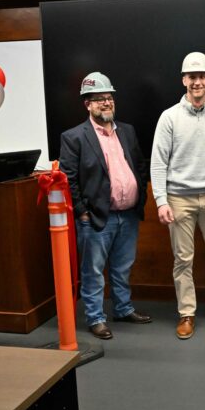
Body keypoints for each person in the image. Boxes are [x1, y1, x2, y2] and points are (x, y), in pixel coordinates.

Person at [151, 51, 205, 340]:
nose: (197, 81)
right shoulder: (169, 118)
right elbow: (158, 162)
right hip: (179, 198)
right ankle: (186, 313)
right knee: (183, 259)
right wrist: (161, 200)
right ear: (183, 80)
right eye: (192, 76)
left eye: (202, 76)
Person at [59, 71, 152, 340]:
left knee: (123, 267)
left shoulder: (127, 131)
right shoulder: (74, 137)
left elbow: (139, 166)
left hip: (129, 215)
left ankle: (123, 309)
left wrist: (141, 196)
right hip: (97, 218)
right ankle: (96, 318)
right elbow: (69, 180)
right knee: (93, 271)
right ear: (87, 104)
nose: (106, 103)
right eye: (99, 99)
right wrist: (82, 213)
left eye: (109, 98)